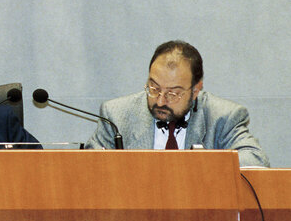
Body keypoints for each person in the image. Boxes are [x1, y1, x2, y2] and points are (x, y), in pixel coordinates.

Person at [84, 40, 269, 167]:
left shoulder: (223, 116)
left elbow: (255, 160)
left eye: (173, 93)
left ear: (196, 90)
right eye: (154, 88)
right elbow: (87, 169)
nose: (160, 100)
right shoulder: (116, 115)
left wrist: (196, 166)